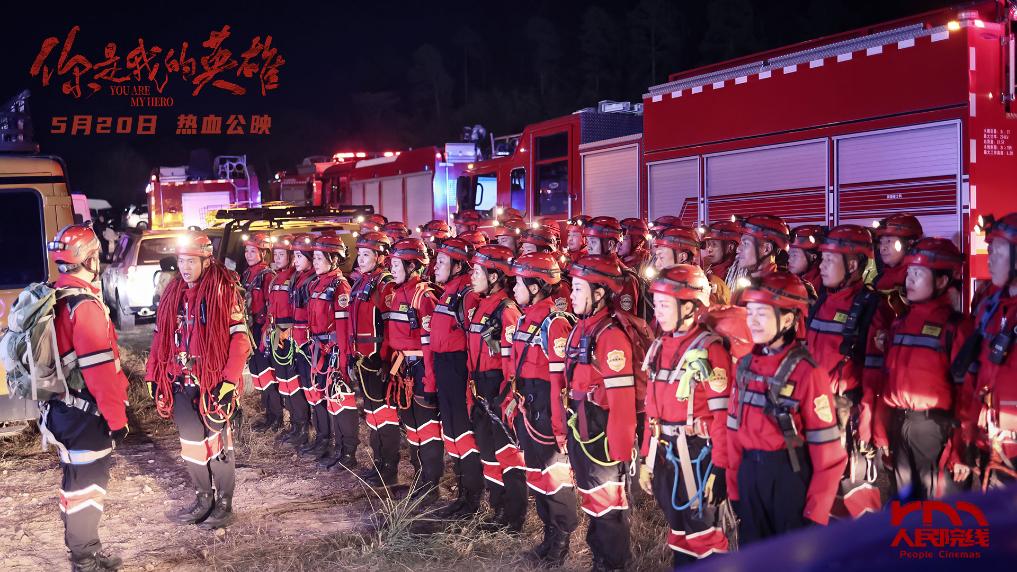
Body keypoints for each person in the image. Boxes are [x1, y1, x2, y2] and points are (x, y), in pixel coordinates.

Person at [727, 272, 847, 541]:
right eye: (750, 312)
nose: (752, 321)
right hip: (750, 476)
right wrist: (734, 488)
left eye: (762, 313)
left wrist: (816, 511)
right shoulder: (744, 367)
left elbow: (827, 450)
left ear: (789, 319)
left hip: (788, 478)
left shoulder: (808, 373)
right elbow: (733, 432)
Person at [145, 232, 252, 529]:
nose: (185, 267)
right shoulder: (173, 294)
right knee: (191, 445)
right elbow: (159, 337)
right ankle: (203, 498)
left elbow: (240, 339)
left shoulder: (224, 291)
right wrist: (152, 374)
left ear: (206, 261)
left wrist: (228, 380)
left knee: (218, 445)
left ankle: (224, 504)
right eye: (181, 261)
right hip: (181, 382)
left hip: (212, 384)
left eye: (191, 261)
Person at [42, 223, 129, 571]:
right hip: (84, 415)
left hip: (62, 410)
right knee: (87, 488)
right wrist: (117, 420)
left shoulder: (57, 295)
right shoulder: (86, 306)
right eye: (96, 255)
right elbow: (100, 373)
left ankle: (87, 549)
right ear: (89, 259)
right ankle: (84, 559)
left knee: (75, 482)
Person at [638, 265, 731, 566]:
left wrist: (720, 468)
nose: (658, 312)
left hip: (698, 458)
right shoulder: (658, 347)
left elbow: (723, 417)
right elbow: (651, 411)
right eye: (657, 304)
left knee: (705, 536)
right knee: (678, 532)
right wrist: (646, 459)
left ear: (689, 307)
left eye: (665, 305)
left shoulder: (710, 350)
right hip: (665, 453)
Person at [874, 238, 970, 500]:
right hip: (899, 424)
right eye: (909, 273)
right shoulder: (899, 324)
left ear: (942, 281)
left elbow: (966, 392)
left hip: (935, 430)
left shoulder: (956, 327)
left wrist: (959, 448)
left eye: (919, 273)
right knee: (903, 506)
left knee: (937, 509)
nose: (910, 280)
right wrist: (881, 430)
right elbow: (887, 379)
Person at [809, 225, 893, 518]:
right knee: (820, 493)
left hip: (848, 414)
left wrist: (868, 424)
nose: (821, 265)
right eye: (822, 259)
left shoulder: (872, 307)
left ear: (853, 265)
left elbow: (874, 373)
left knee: (852, 496)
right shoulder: (822, 301)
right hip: (816, 410)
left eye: (829, 259)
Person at [565, 255, 638, 572]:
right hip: (583, 424)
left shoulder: (611, 336)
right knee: (593, 497)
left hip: (602, 432)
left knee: (608, 501)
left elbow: (622, 403)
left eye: (578, 289)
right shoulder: (582, 328)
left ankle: (614, 563)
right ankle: (601, 560)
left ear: (598, 294)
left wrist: (620, 451)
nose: (571, 295)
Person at [508, 252, 578, 565]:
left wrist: (559, 425)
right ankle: (548, 536)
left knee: (555, 474)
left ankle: (561, 541)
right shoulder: (526, 318)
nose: (513, 289)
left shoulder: (554, 323)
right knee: (537, 473)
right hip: (529, 404)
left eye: (519, 283)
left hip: (547, 408)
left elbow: (559, 381)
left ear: (535, 287)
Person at [465, 245, 528, 530]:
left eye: (477, 272)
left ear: (493, 277)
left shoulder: (507, 310)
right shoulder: (481, 305)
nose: (472, 277)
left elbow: (511, 360)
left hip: (498, 388)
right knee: (488, 452)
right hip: (480, 385)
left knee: (507, 453)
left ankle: (514, 516)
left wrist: (506, 396)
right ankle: (498, 508)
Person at [959, 212, 1017, 488]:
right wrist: (969, 435)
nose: (989, 260)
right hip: (992, 447)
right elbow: (976, 378)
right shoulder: (990, 309)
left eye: (998, 252)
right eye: (989, 251)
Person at [429, 237, 485, 517]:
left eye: (441, 262)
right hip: (444, 367)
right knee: (451, 432)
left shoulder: (467, 294)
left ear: (457, 266)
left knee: (463, 432)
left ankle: (473, 498)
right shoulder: (448, 292)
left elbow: (473, 341)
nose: (435, 267)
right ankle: (463, 494)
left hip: (459, 367)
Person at [386, 238, 443, 501]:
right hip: (404, 369)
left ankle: (431, 487)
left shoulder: (424, 297)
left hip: (420, 371)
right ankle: (420, 480)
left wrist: (430, 382)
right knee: (412, 427)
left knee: (428, 428)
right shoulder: (398, 292)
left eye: (396, 264)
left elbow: (430, 345)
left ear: (411, 266)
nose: (392, 269)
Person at [346, 232, 397, 485]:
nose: (361, 259)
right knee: (372, 414)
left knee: (385, 414)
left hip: (378, 359)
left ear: (379, 256)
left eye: (367, 254)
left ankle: (389, 468)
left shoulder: (385, 284)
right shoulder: (361, 282)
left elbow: (390, 325)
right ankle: (378, 462)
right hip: (362, 358)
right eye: (360, 254)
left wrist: (386, 359)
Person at [303, 236, 353, 467]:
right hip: (319, 350)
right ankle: (332, 444)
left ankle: (348, 452)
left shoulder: (340, 286)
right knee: (326, 399)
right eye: (313, 258)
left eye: (319, 258)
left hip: (333, 352)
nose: (315, 262)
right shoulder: (316, 284)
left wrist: (342, 359)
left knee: (341, 400)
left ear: (333, 259)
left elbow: (343, 328)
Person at [242, 232, 280, 432]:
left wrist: (266, 332)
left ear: (264, 253)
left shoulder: (267, 276)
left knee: (267, 373)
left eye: (253, 251)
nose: (248, 255)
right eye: (247, 251)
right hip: (250, 329)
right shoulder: (247, 274)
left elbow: (271, 306)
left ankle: (277, 417)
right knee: (257, 372)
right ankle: (269, 415)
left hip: (262, 330)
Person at [265, 235, 301, 441]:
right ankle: (293, 425)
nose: (277, 258)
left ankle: (301, 426)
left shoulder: (295, 278)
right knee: (284, 381)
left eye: (281, 255)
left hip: (290, 334)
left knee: (294, 381)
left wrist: (291, 332)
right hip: (277, 332)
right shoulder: (275, 278)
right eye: (275, 255)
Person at [288, 233, 320, 451]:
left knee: (315, 392)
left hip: (310, 344)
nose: (295, 260)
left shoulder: (313, 282)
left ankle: (322, 437)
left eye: (299, 256)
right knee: (305, 389)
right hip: (298, 342)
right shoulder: (298, 279)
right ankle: (306, 431)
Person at [652, 226, 730, 305]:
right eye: (657, 258)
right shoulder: (663, 286)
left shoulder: (714, 288)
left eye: (661, 257)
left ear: (683, 257)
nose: (656, 264)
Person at [584, 217, 643, 317]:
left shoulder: (626, 279)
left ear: (610, 244)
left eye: (593, 242)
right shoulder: (589, 271)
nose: (588, 247)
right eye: (587, 242)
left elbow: (626, 321)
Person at [874, 214, 924, 315]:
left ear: (910, 243)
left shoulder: (918, 280)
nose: (882, 248)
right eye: (881, 242)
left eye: (889, 241)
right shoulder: (879, 277)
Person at [732, 215, 789, 295]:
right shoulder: (743, 284)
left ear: (767, 249)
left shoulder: (783, 290)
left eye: (745, 243)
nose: (738, 249)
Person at [788, 224, 825, 301]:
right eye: (789, 254)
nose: (789, 260)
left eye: (794, 254)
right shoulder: (788, 279)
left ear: (813, 257)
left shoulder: (826, 286)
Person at [701, 221, 740, 289]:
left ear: (731, 247)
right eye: (708, 244)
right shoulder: (708, 272)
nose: (709, 249)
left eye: (714, 244)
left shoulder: (741, 276)